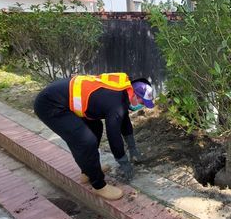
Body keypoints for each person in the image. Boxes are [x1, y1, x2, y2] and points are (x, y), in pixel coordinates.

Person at [34, 72, 154, 200]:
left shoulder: (122, 89)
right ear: (134, 94)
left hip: (62, 99)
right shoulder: (116, 103)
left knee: (96, 127)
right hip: (50, 105)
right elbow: (113, 135)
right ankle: (99, 185)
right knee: (86, 141)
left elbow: (124, 121)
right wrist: (123, 161)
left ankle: (88, 171)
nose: (142, 106)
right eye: (142, 101)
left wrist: (132, 147)